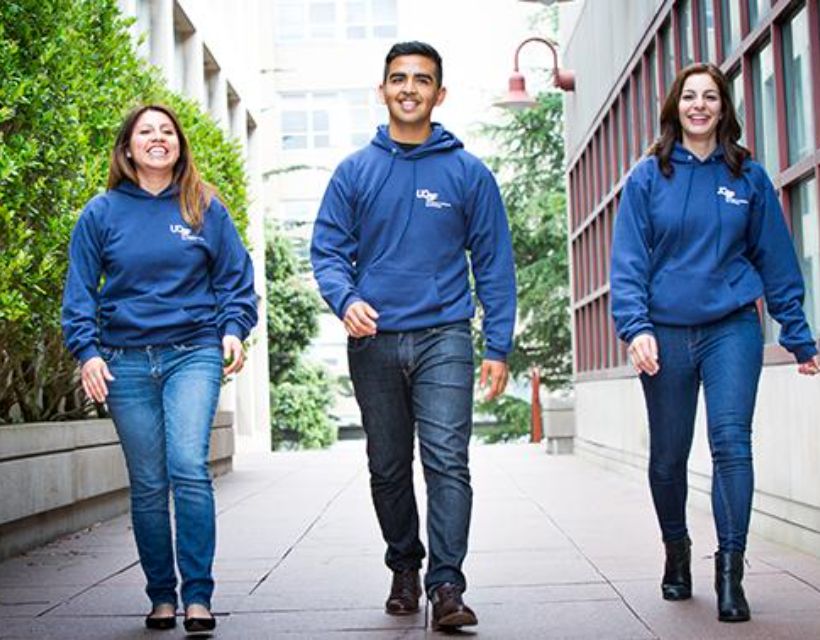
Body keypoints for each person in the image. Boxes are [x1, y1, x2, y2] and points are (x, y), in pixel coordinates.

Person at [310, 41, 515, 631]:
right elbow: (327, 251)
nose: (409, 88)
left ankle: (446, 584)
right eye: (399, 78)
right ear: (382, 91)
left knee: (447, 460)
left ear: (439, 94)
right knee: (388, 465)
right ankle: (404, 564)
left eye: (422, 80)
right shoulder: (355, 172)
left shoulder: (468, 173)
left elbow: (494, 263)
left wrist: (497, 344)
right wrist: (346, 299)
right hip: (373, 339)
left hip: (444, 334)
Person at [610, 62, 819, 623]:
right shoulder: (647, 177)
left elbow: (776, 259)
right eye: (689, 96)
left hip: (732, 326)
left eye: (710, 97)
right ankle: (676, 550)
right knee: (668, 456)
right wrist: (636, 327)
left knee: (732, 444)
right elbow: (628, 262)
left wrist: (798, 335)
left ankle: (731, 571)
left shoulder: (748, 177)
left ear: (724, 107)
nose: (699, 105)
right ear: (675, 107)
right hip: (665, 331)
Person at [61, 104, 258, 633]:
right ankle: (161, 596)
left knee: (188, 467)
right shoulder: (101, 213)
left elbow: (236, 280)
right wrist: (88, 352)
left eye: (167, 131)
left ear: (178, 145)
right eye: (145, 131)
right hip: (124, 361)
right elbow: (80, 292)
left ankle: (198, 596)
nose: (157, 137)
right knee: (148, 483)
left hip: (192, 352)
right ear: (127, 148)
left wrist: (233, 329)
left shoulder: (203, 206)